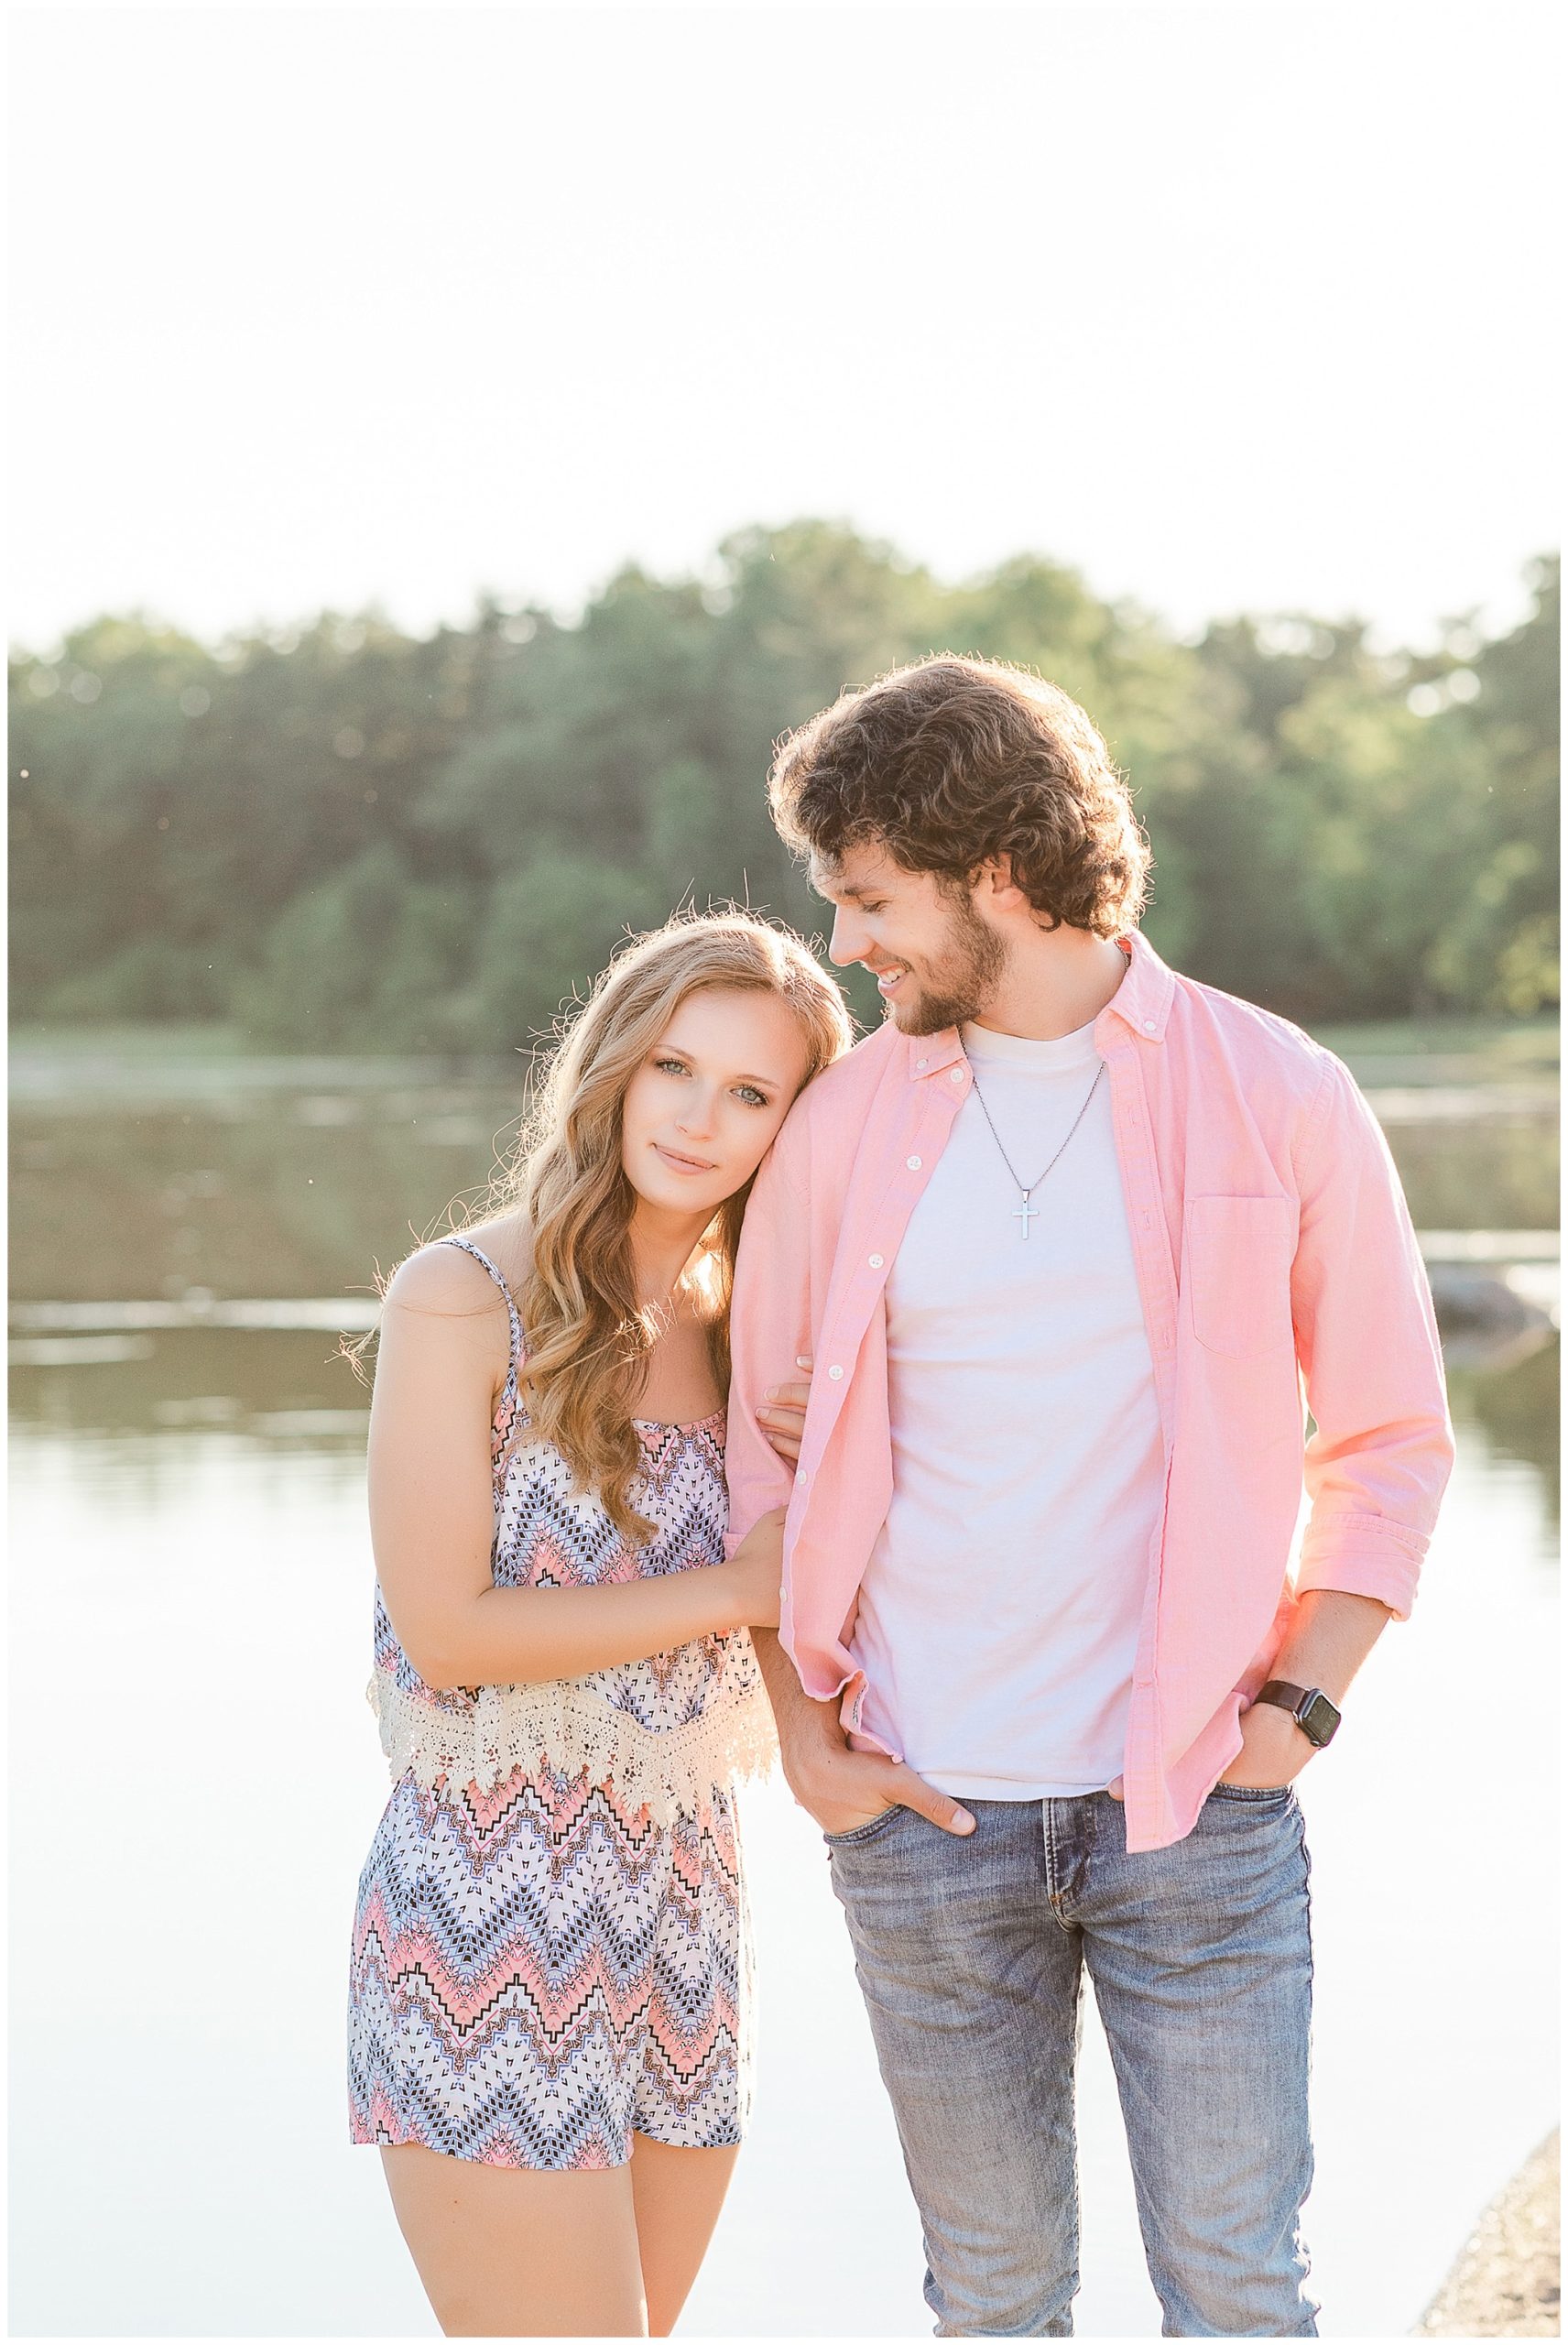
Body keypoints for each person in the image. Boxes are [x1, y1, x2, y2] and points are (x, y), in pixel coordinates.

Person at [725, 656, 1455, 2339]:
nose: (846, 942)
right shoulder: (842, 1128)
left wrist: (1302, 1706)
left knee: (1240, 2293)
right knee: (991, 2300)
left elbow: (1391, 1439)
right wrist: (805, 1740)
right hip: (922, 1816)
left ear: (994, 870)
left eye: (869, 898)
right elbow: (763, 1459)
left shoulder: (1281, 1092)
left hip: (1197, 1807)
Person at [347, 911, 850, 2338]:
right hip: (490, 1911)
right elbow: (447, 1631)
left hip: (687, 1907)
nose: (699, 1119)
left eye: (750, 1092)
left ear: (796, 1128)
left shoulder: (757, 1333)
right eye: (675, 1069)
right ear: (615, 1066)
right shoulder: (464, 1298)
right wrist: (737, 1589)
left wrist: (850, 1437)